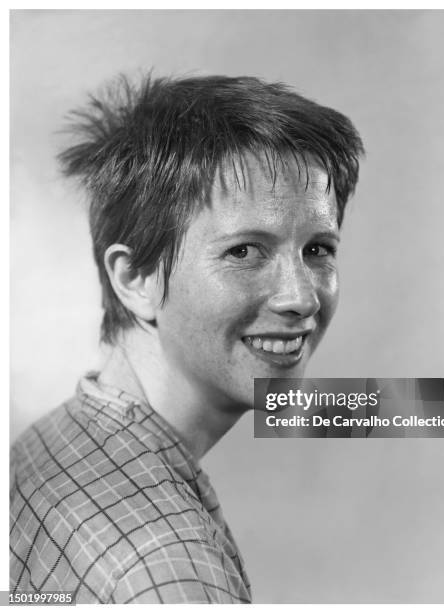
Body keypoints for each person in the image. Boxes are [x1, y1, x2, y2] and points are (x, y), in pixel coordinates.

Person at [10, 74, 364, 603]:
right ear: (135, 280)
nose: (302, 298)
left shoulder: (49, 442)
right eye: (244, 251)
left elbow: (441, 408)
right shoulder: (171, 570)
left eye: (318, 249)